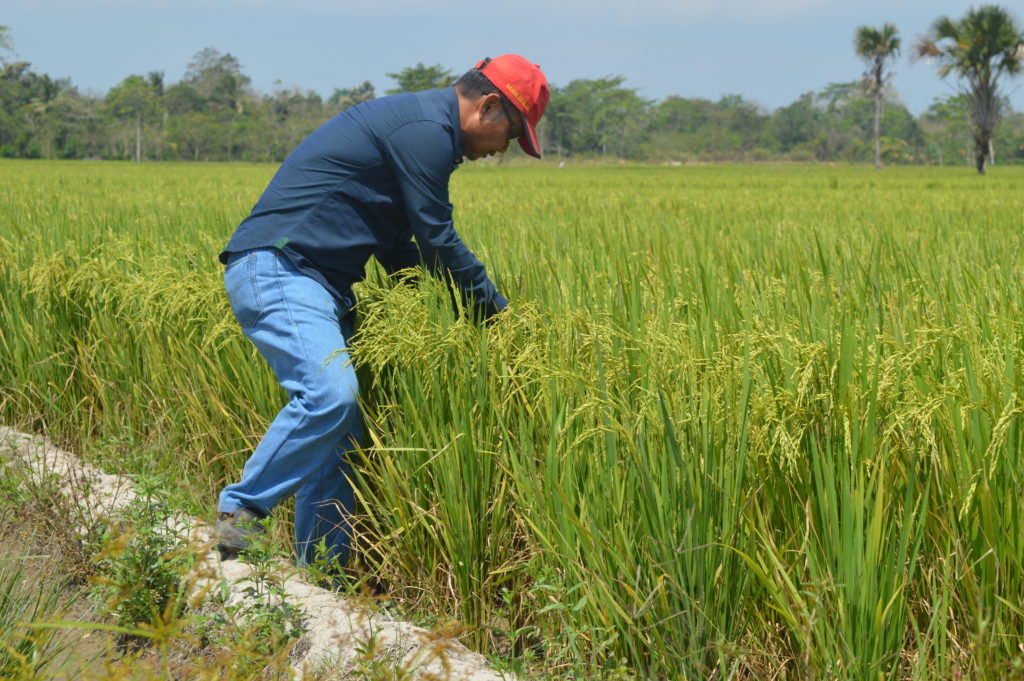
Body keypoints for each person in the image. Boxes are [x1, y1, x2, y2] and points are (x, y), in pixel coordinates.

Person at [213, 55, 550, 572]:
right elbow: (436, 238)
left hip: (320, 283)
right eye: (512, 133)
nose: (505, 148)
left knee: (338, 438)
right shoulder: (426, 131)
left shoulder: (417, 129)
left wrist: (424, 320)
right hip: (280, 266)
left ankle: (321, 578)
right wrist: (499, 317)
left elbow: (400, 250)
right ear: (487, 106)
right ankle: (242, 509)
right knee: (330, 395)